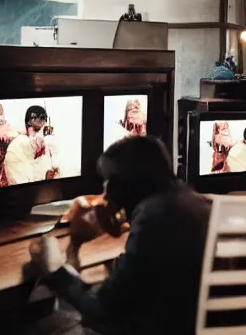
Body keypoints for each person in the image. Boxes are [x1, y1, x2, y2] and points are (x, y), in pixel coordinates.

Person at [27, 136, 211, 334]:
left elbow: (99, 308)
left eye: (109, 181)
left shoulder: (153, 215)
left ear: (119, 184)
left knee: (40, 326)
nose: (106, 192)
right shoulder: (195, 204)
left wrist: (54, 268)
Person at [5, 105, 59, 185]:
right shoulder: (15, 151)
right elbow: (22, 191)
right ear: (27, 127)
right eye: (36, 129)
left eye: (44, 130)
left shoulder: (47, 148)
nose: (40, 136)